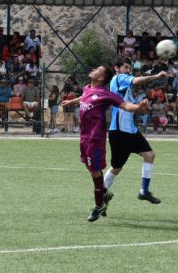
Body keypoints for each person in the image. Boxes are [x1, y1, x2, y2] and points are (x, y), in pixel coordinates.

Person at [61, 64, 149, 222]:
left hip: (95, 138)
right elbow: (84, 97)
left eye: (97, 70)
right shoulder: (88, 88)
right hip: (84, 137)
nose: (93, 70)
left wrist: (139, 107)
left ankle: (99, 204)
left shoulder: (107, 94)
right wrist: (71, 102)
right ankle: (104, 193)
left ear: (101, 78)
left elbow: (125, 105)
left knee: (95, 171)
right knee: (92, 171)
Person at [106, 58, 170, 206]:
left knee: (149, 155)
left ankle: (144, 191)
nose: (128, 70)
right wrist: (155, 76)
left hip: (129, 130)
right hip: (120, 131)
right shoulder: (118, 78)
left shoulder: (124, 88)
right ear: (117, 68)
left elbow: (130, 107)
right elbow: (135, 81)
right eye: (125, 67)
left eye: (129, 68)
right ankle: (100, 193)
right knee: (116, 167)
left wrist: (143, 107)